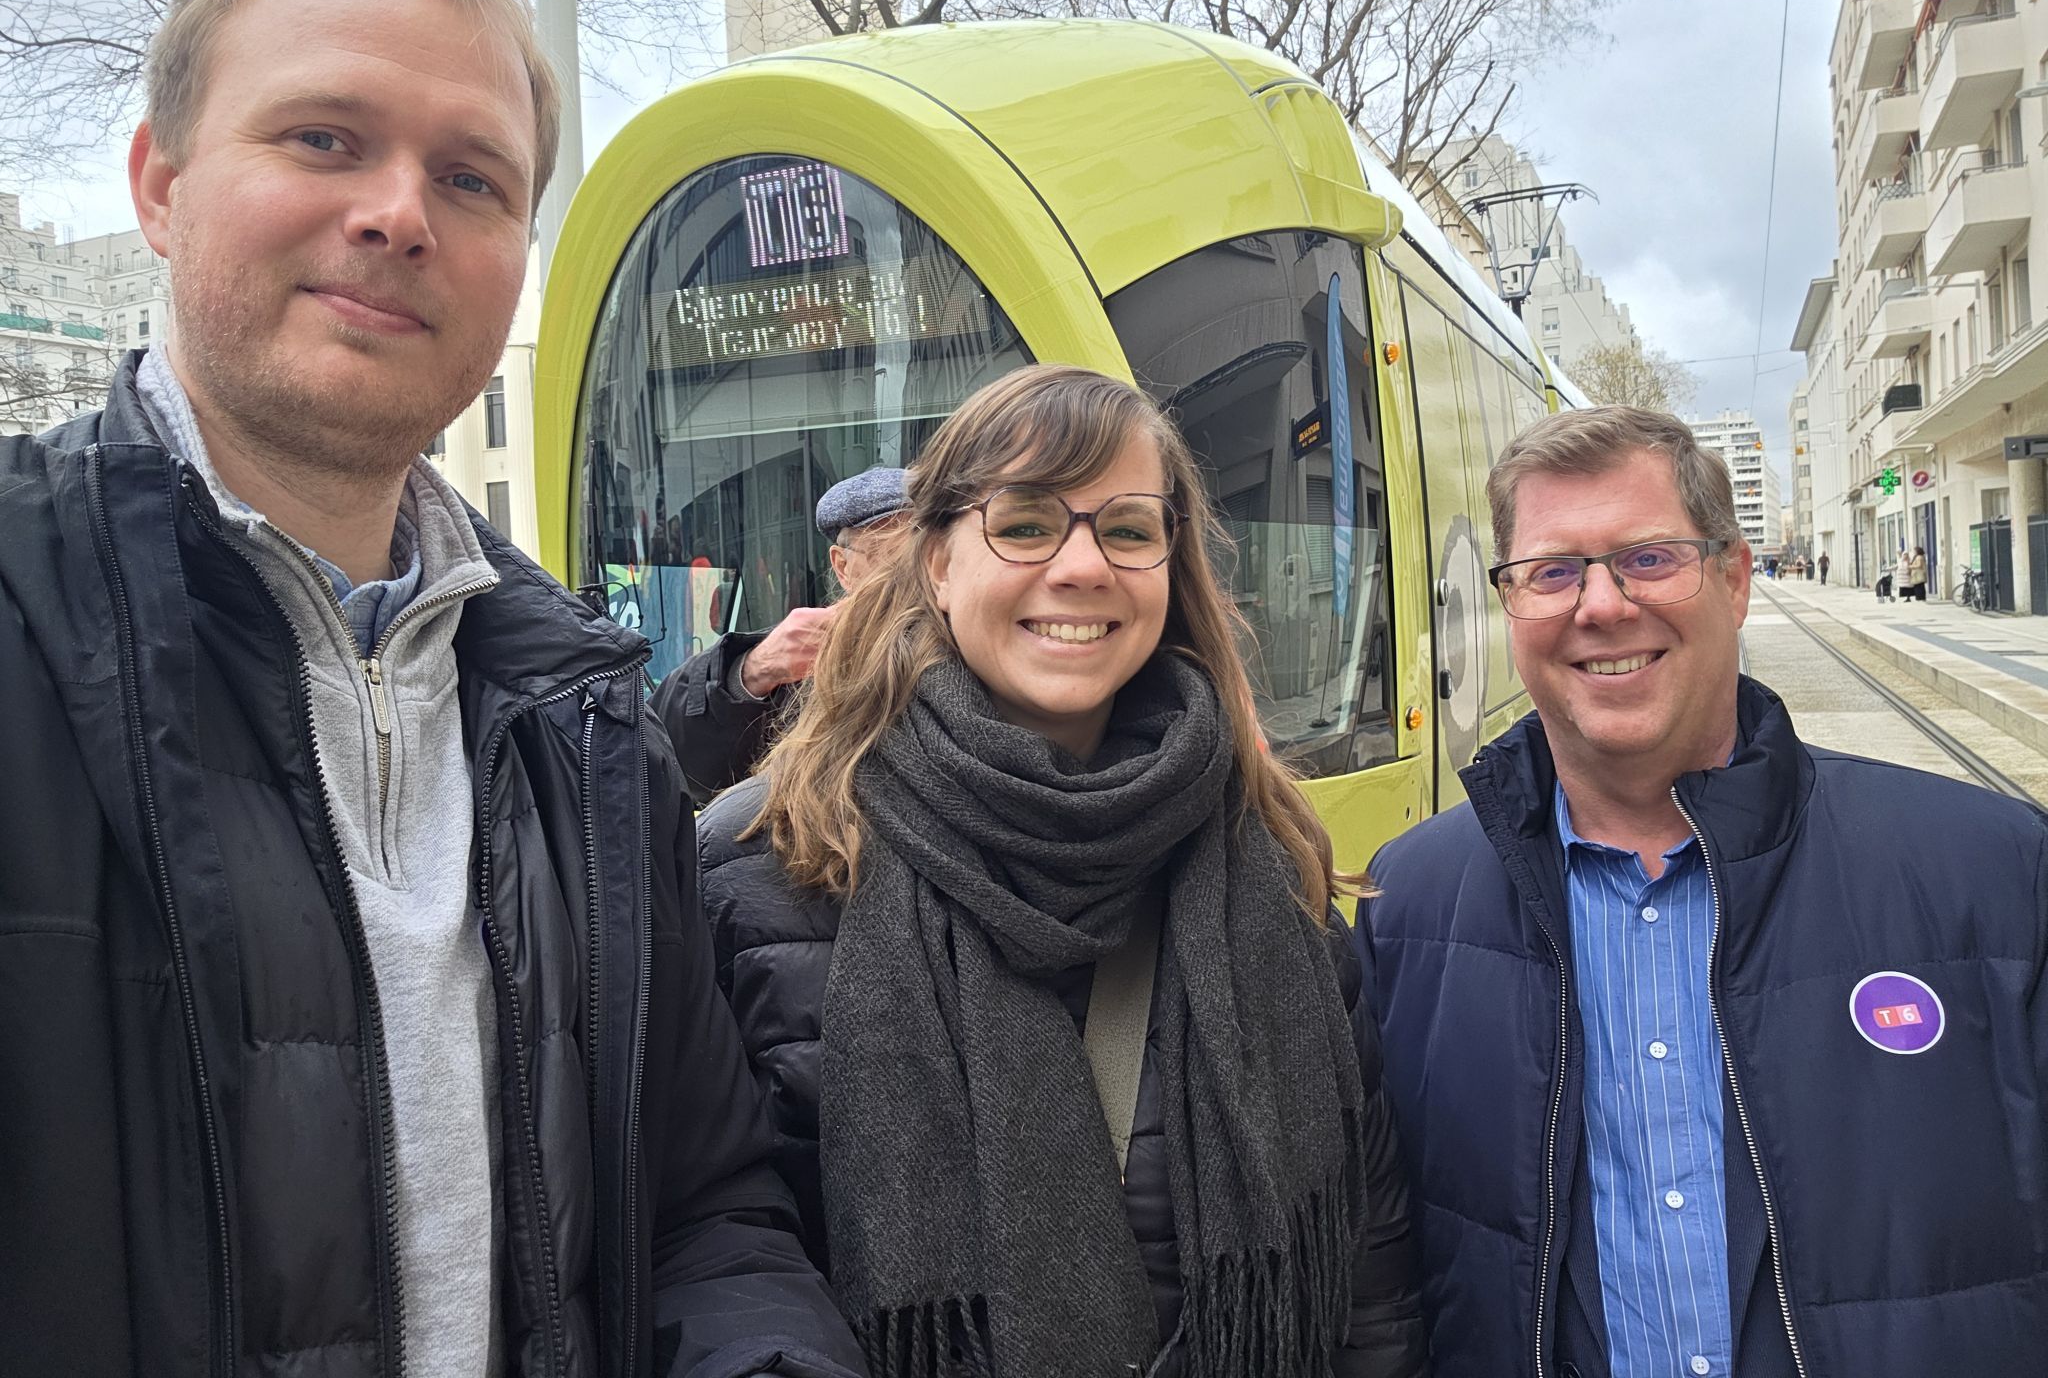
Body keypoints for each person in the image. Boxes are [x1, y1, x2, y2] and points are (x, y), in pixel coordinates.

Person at [0, 0, 862, 1377]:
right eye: (324, 138)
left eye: (472, 177)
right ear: (159, 181)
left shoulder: (585, 731)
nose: (401, 213)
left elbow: (704, 1204)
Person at [697, 366, 1429, 1378]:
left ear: (1169, 567)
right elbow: (717, 1255)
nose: (1081, 566)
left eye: (1126, 528)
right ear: (937, 562)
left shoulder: (1261, 850)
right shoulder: (763, 865)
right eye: (1026, 523)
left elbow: (1366, 1277)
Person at [1358, 404, 2048, 1378]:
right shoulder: (1407, 908)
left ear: (1733, 581)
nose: (1599, 604)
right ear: (1507, 605)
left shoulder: (1994, 875)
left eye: (1647, 558)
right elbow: (1381, 1286)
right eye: (1552, 571)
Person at [653, 466, 908, 805]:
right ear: (842, 567)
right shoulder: (803, 652)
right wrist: (752, 671)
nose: (903, 571)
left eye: (917, 551)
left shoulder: (980, 644)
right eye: (882, 553)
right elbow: (670, 758)